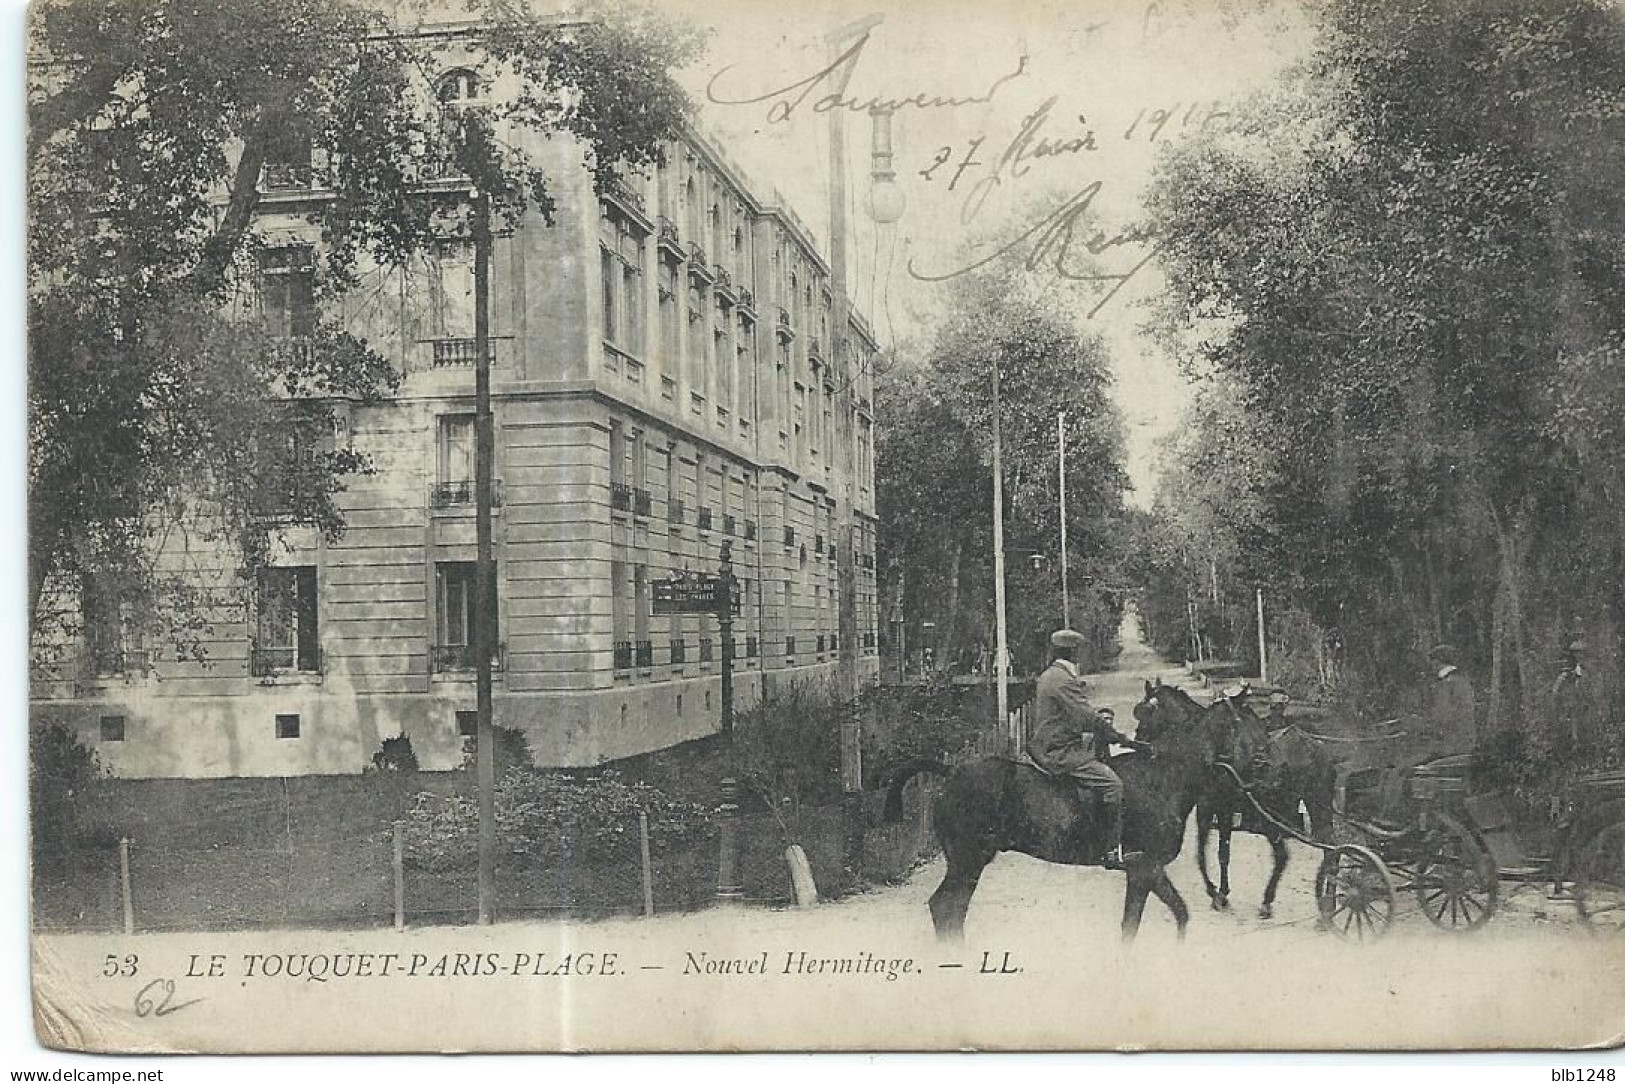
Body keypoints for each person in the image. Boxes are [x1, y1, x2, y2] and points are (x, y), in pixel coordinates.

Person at [1028, 628, 1153, 869]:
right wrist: (1120, 738)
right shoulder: (1062, 679)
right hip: (1059, 751)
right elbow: (1086, 716)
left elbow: (1079, 715)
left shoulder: (1051, 675)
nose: (1081, 655)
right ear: (1074, 652)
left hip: (1055, 742)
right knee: (1113, 785)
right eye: (1079, 650)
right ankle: (1110, 850)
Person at [1377, 643, 1479, 822]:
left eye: (1432, 663)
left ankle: (1389, 818)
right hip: (1464, 745)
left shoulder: (1446, 684)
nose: (1431, 667)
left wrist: (1414, 724)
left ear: (1438, 663)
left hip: (1449, 747)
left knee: (1398, 769)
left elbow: (1440, 721)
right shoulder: (1463, 682)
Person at [1551, 639, 1589, 753]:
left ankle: (1581, 744)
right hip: (1571, 699)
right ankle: (1573, 743)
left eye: (1581, 652)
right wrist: (1556, 691)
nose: (1579, 655)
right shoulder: (1568, 667)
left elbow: (1586, 680)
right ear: (1573, 654)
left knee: (1582, 720)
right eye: (1576, 652)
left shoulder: (1585, 667)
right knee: (1571, 719)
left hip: (1583, 698)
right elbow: (1560, 681)